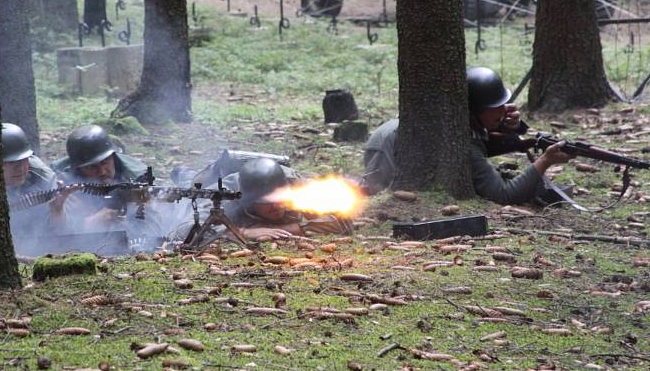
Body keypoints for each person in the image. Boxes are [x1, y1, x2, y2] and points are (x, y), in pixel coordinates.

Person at [363, 67, 574, 204]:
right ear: (473, 111)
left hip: (391, 135)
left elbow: (490, 142)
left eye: (503, 105)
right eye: (495, 107)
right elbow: (505, 194)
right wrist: (545, 160)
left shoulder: (463, 122)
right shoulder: (464, 143)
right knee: (374, 192)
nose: (503, 110)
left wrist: (515, 127)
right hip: (384, 148)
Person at [53, 124, 154, 232]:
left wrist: (134, 213)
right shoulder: (64, 182)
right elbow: (55, 232)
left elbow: (153, 226)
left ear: (113, 156)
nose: (102, 171)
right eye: (91, 167)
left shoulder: (136, 177)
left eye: (105, 162)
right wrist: (87, 223)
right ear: (78, 168)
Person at [223, 158, 352, 241]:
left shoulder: (297, 185)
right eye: (267, 203)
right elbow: (205, 226)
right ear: (250, 200)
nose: (276, 206)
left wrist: (289, 229)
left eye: (279, 198)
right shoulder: (228, 193)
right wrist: (244, 232)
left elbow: (343, 220)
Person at [1, 123, 72, 238]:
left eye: (24, 160)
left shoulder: (43, 178)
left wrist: (57, 211)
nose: (20, 168)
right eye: (11, 162)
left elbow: (61, 234)